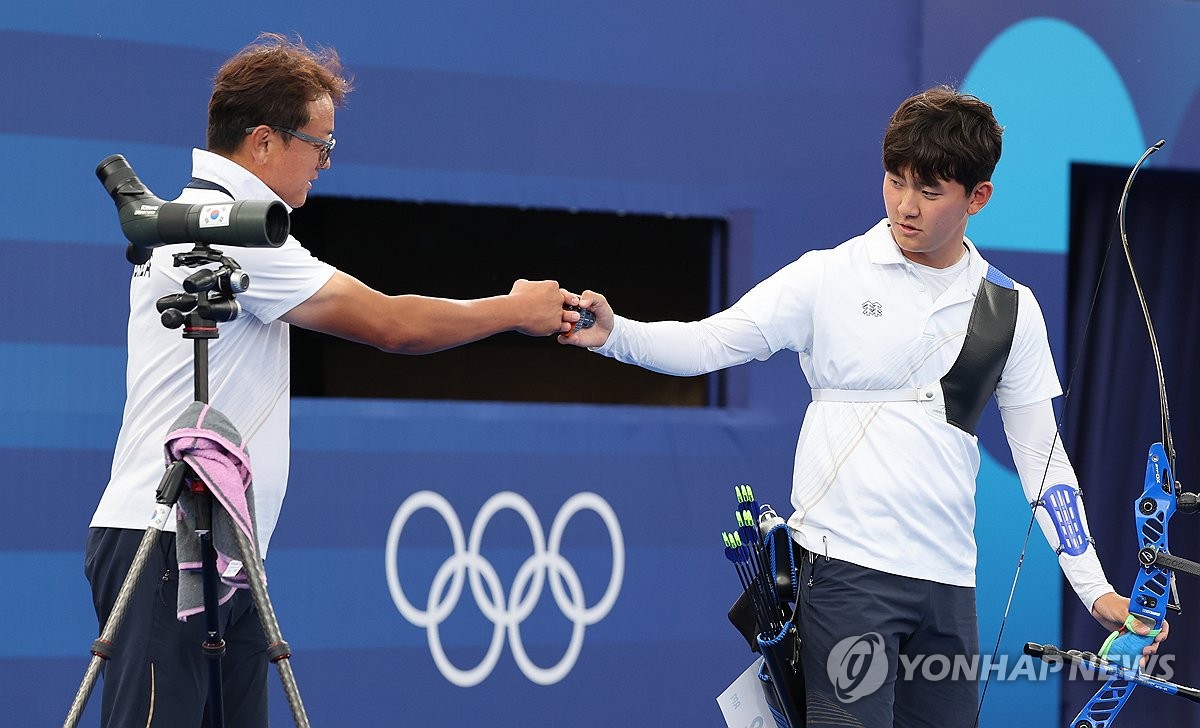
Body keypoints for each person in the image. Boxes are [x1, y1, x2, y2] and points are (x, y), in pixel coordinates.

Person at [559, 86, 1168, 727]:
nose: (906, 206)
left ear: (977, 198)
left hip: (949, 588)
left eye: (930, 191)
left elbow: (1044, 463)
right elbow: (710, 341)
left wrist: (1094, 588)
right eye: (895, 181)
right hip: (846, 576)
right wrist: (616, 334)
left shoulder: (1010, 310)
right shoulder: (829, 276)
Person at [85, 33, 573, 727]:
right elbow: (392, 325)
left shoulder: (210, 218)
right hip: (162, 538)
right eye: (319, 144)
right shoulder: (234, 228)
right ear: (262, 142)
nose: (325, 162)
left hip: (220, 546)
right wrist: (516, 309)